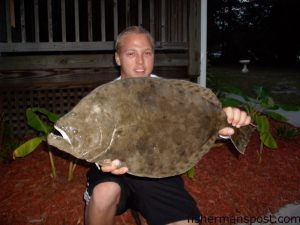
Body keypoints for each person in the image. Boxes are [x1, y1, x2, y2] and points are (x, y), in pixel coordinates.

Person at [84, 26, 251, 225]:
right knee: (104, 194)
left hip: (157, 171)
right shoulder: (102, 97)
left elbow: (193, 126)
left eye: (147, 53)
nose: (140, 62)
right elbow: (90, 139)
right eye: (131, 54)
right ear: (118, 58)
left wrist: (223, 128)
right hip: (113, 171)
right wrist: (101, 161)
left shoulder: (173, 94)